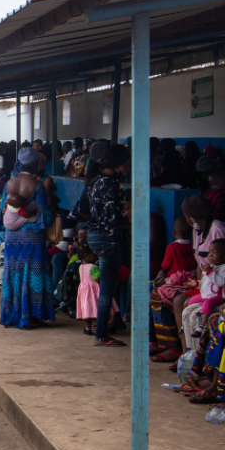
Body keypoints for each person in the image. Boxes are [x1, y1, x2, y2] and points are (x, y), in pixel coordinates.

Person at [0, 147, 56, 330]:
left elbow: (3, 208)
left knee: (13, 274)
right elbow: (44, 216)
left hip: (12, 237)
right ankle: (32, 315)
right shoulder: (37, 185)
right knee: (33, 275)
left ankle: (14, 313)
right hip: (32, 237)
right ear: (36, 164)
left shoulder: (10, 182)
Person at [86, 143, 131, 346]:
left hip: (94, 235)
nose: (128, 168)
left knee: (106, 286)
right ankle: (101, 334)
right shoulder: (112, 185)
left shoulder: (95, 181)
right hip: (109, 237)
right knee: (107, 289)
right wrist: (129, 217)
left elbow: (83, 208)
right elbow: (113, 216)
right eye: (126, 164)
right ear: (117, 164)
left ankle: (103, 329)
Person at [75, 246, 117, 336]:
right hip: (95, 290)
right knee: (101, 308)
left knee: (88, 309)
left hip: (84, 291)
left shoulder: (81, 267)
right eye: (94, 254)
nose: (96, 256)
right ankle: (105, 326)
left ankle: (88, 328)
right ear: (86, 255)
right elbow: (97, 279)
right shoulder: (93, 267)